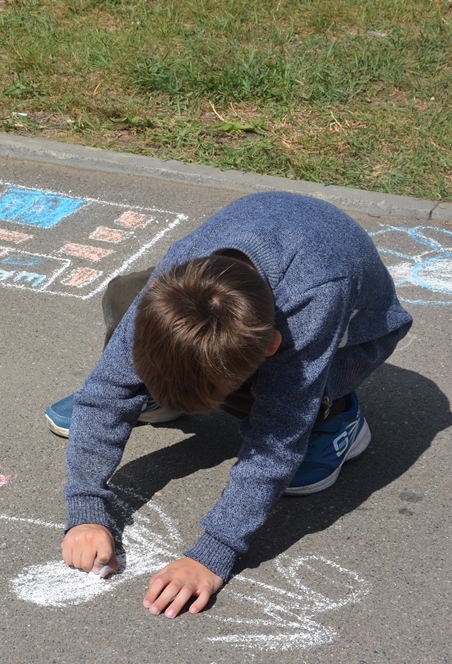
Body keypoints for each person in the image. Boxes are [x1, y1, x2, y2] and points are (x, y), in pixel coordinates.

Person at [48, 191, 412, 619]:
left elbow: (276, 436)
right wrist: (85, 508)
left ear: (271, 344)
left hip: (355, 333)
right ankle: (165, 388)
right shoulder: (176, 275)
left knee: (285, 395)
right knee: (124, 297)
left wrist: (212, 554)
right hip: (266, 267)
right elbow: (105, 391)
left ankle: (337, 417)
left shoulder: (310, 301)